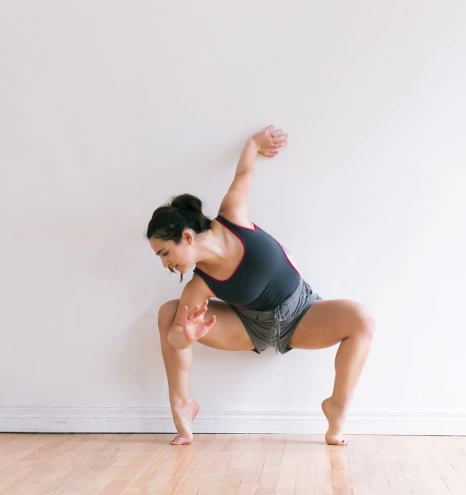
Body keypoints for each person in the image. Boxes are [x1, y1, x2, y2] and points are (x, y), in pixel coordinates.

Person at [146, 125, 376, 446]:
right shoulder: (199, 286)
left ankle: (337, 406)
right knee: (169, 312)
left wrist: (254, 144)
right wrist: (184, 334)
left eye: (165, 253)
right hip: (249, 327)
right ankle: (182, 404)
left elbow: (244, 175)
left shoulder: (232, 217)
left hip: (302, 314)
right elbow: (175, 337)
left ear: (186, 237)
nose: (164, 264)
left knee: (362, 318)